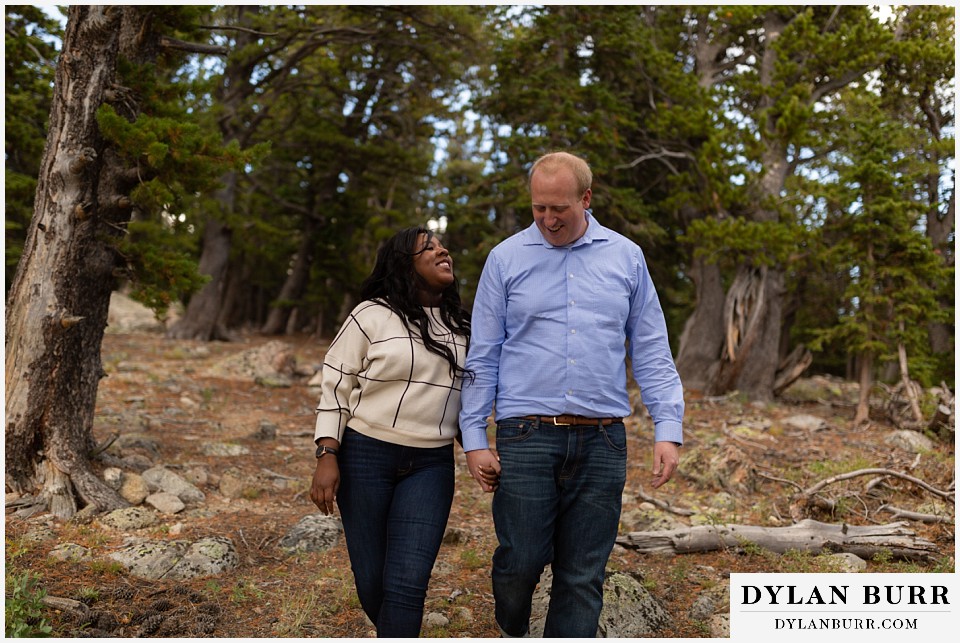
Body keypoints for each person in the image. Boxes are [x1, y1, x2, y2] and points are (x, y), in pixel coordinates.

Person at [459, 151, 684, 638]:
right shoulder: (506, 259)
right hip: (525, 436)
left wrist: (668, 429)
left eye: (558, 208)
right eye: (538, 208)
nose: (548, 219)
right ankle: (513, 630)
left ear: (586, 198)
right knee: (519, 562)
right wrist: (474, 436)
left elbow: (650, 349)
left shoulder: (626, 257)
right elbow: (483, 355)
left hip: (602, 440)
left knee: (582, 575)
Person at [309, 226, 495, 637]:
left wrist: (478, 447)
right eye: (427, 248)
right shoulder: (371, 314)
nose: (441, 250)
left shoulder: (465, 326)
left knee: (407, 586)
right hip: (365, 456)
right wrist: (327, 453)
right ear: (404, 266)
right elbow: (335, 385)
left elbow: (466, 400)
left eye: (441, 244)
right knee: (372, 584)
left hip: (430, 464)